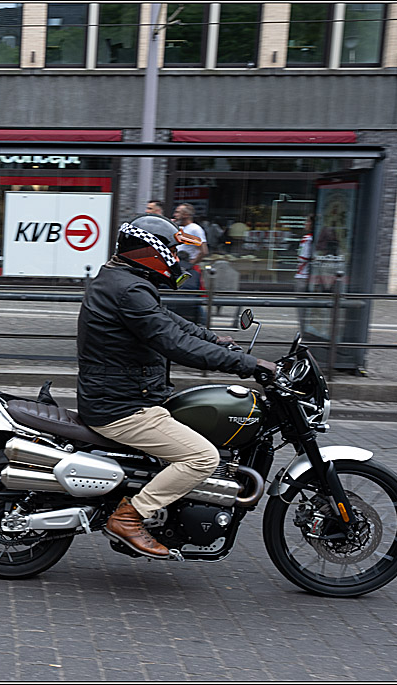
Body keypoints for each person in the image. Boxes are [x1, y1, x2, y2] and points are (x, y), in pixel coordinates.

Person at [76, 214, 277, 558]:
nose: (175, 256)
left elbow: (168, 321)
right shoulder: (128, 289)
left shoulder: (122, 281)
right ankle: (130, 516)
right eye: (170, 249)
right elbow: (173, 343)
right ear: (148, 252)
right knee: (202, 457)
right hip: (122, 407)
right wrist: (248, 364)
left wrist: (215, 338)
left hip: (125, 395)